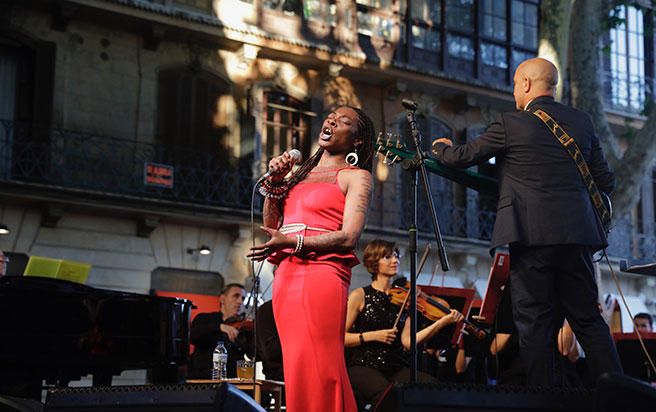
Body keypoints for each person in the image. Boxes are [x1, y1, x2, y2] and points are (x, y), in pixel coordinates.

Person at [431, 57, 623, 386]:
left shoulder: (511, 123)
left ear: (525, 84)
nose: (514, 94)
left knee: (534, 321)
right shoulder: (582, 122)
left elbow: (460, 157)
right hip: (577, 237)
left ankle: (544, 400)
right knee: (588, 320)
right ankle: (620, 397)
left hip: (530, 235)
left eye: (515, 87)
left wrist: (439, 144)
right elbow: (606, 181)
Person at [248, 106, 376, 412]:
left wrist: (294, 241)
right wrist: (276, 184)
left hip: (323, 273)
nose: (332, 120)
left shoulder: (357, 177)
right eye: (331, 115)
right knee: (297, 365)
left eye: (344, 121)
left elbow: (349, 236)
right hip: (287, 276)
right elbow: (273, 223)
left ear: (357, 140)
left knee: (320, 363)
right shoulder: (297, 174)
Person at [345, 239, 463, 408]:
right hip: (364, 365)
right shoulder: (360, 295)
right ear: (373, 262)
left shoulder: (404, 299)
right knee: (389, 396)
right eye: (387, 257)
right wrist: (373, 336)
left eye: (396, 256)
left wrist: (441, 322)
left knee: (433, 386)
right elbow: (340, 338)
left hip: (396, 367)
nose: (395, 260)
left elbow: (408, 342)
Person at [189, 283, 252, 379]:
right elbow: (194, 335)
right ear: (222, 299)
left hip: (232, 382)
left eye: (243, 299)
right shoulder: (205, 318)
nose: (240, 301)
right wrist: (220, 327)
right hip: (202, 378)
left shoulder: (244, 327)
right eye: (236, 296)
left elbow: (252, 354)